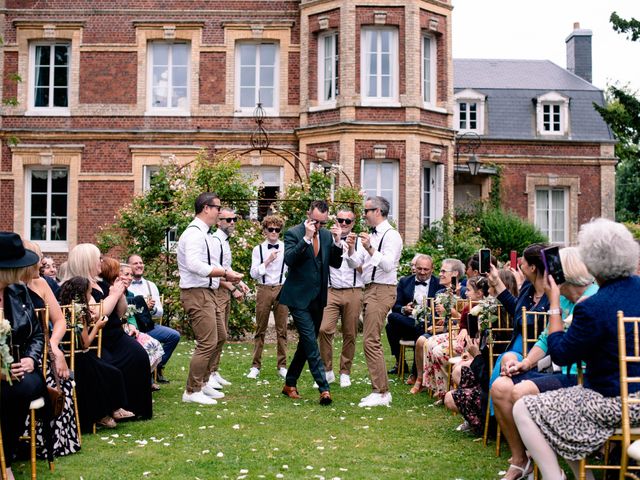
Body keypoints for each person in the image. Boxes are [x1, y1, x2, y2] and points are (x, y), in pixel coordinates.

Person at [513, 219, 640, 480]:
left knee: (524, 407)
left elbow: (560, 353)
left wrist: (554, 303)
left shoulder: (593, 306)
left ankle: (553, 477)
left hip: (613, 403)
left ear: (592, 263)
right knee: (564, 407)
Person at [491, 247, 598, 480]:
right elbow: (546, 338)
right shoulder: (563, 298)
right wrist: (526, 363)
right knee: (500, 387)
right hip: (559, 370)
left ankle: (548, 465)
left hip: (582, 375)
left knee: (521, 391)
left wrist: (554, 303)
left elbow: (564, 351)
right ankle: (521, 460)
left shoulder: (593, 299)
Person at [65, 243, 153, 419]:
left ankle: (137, 408)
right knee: (113, 364)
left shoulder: (101, 284)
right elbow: (96, 314)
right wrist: (113, 295)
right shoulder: (78, 286)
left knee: (139, 356)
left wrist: (120, 293)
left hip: (115, 333)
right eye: (98, 258)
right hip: (98, 338)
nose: (101, 261)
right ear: (87, 261)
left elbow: (120, 312)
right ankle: (115, 407)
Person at [177, 192, 243, 405]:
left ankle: (203, 384)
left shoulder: (204, 233)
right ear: (206, 208)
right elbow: (195, 266)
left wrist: (229, 276)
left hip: (207, 292)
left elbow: (211, 263)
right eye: (217, 208)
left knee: (216, 338)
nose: (219, 212)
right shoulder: (194, 233)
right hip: (196, 293)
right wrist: (225, 274)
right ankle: (191, 390)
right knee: (207, 342)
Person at [279, 200, 343, 405]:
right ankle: (324, 388)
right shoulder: (293, 233)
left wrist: (338, 243)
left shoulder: (325, 235)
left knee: (305, 343)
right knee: (311, 342)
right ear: (308, 214)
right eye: (315, 222)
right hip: (297, 298)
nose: (318, 227)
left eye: (322, 223)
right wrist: (306, 238)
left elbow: (335, 263)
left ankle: (290, 383)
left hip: (318, 298)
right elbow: (289, 259)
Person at [21, 241, 80, 457]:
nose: (40, 265)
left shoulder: (42, 284)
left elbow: (60, 321)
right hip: (21, 352)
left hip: (44, 347)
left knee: (63, 380)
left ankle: (53, 441)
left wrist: (54, 346)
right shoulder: (8, 288)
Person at [0, 232, 50, 480]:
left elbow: (37, 334)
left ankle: (5, 460)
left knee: (18, 390)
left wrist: (31, 358)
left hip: (22, 370)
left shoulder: (18, 293)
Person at [346, 196, 403, 407]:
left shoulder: (391, 236)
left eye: (367, 211)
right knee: (370, 340)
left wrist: (370, 248)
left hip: (383, 289)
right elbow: (354, 264)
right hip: (369, 289)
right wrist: (351, 248)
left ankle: (381, 392)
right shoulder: (369, 236)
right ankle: (379, 390)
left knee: (371, 340)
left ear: (378, 211)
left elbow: (388, 265)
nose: (365, 215)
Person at [57, 276, 132, 431]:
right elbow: (85, 343)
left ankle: (112, 410)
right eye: (90, 293)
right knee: (112, 372)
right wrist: (97, 326)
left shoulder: (64, 308)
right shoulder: (78, 313)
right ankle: (107, 413)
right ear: (83, 294)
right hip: (80, 356)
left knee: (109, 371)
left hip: (70, 355)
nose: (91, 296)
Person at [486, 243, 550, 387]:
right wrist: (496, 281)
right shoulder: (528, 288)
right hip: (517, 348)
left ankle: (495, 406)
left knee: (507, 359)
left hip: (537, 353)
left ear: (532, 268)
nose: (520, 267)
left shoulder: (553, 294)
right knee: (507, 358)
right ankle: (497, 404)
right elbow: (516, 309)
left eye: (523, 263)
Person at [318, 208, 364, 388]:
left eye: (348, 221)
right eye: (340, 220)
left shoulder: (360, 242)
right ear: (335, 221)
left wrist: (350, 249)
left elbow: (363, 269)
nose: (343, 224)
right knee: (324, 329)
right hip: (331, 290)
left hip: (353, 290)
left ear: (353, 224)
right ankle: (327, 371)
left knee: (350, 332)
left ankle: (345, 371)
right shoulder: (326, 238)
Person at [209, 207, 249, 390]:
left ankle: (214, 371)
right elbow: (215, 274)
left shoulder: (224, 241)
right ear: (218, 222)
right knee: (218, 335)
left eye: (234, 219)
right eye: (228, 219)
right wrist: (233, 288)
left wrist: (240, 284)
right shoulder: (216, 241)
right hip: (217, 293)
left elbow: (226, 270)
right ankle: (208, 373)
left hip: (224, 293)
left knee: (222, 336)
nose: (232, 222)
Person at [127, 254, 181, 383]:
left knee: (174, 336)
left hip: (147, 325)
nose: (139, 265)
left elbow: (160, 312)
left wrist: (151, 309)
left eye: (141, 262)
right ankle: (146, 374)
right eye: (135, 263)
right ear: (128, 266)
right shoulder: (125, 284)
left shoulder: (151, 285)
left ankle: (158, 366)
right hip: (131, 327)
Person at [247, 214, 289, 379]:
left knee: (282, 330)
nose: (273, 232)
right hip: (263, 289)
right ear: (264, 230)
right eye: (270, 229)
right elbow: (253, 273)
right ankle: (255, 366)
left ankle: (282, 366)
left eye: (277, 230)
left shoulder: (286, 247)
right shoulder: (258, 250)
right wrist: (267, 262)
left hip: (281, 288)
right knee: (260, 329)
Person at [385, 254, 439, 378]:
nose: (422, 272)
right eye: (419, 268)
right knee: (392, 319)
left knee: (393, 327)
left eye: (426, 269)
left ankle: (415, 370)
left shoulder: (438, 284)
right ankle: (401, 362)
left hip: (428, 325)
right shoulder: (405, 281)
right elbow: (396, 306)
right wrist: (405, 309)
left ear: (432, 269)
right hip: (409, 322)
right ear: (415, 268)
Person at [422, 258, 466, 398]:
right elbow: (441, 320)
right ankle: (438, 387)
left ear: (454, 274)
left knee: (436, 348)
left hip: (460, 334)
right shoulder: (440, 293)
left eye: (443, 271)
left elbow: (464, 320)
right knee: (427, 343)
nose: (440, 274)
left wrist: (449, 311)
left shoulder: (465, 292)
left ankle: (447, 390)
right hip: (446, 332)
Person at [117, 262, 165, 378]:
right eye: (127, 274)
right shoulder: (112, 292)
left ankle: (147, 378)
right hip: (119, 330)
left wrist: (134, 326)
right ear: (117, 275)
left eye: (131, 275)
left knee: (154, 345)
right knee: (142, 349)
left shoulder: (131, 293)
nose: (130, 278)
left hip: (139, 326)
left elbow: (131, 314)